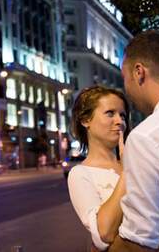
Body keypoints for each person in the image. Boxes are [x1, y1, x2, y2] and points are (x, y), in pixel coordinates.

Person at [109, 30, 159, 252]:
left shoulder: (147, 137)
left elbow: (140, 240)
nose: (127, 88)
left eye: (124, 78)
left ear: (139, 72)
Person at [68, 85, 130, 251]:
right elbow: (104, 234)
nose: (120, 121)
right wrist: (127, 173)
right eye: (110, 113)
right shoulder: (80, 174)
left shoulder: (138, 161)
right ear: (85, 120)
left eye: (122, 115)